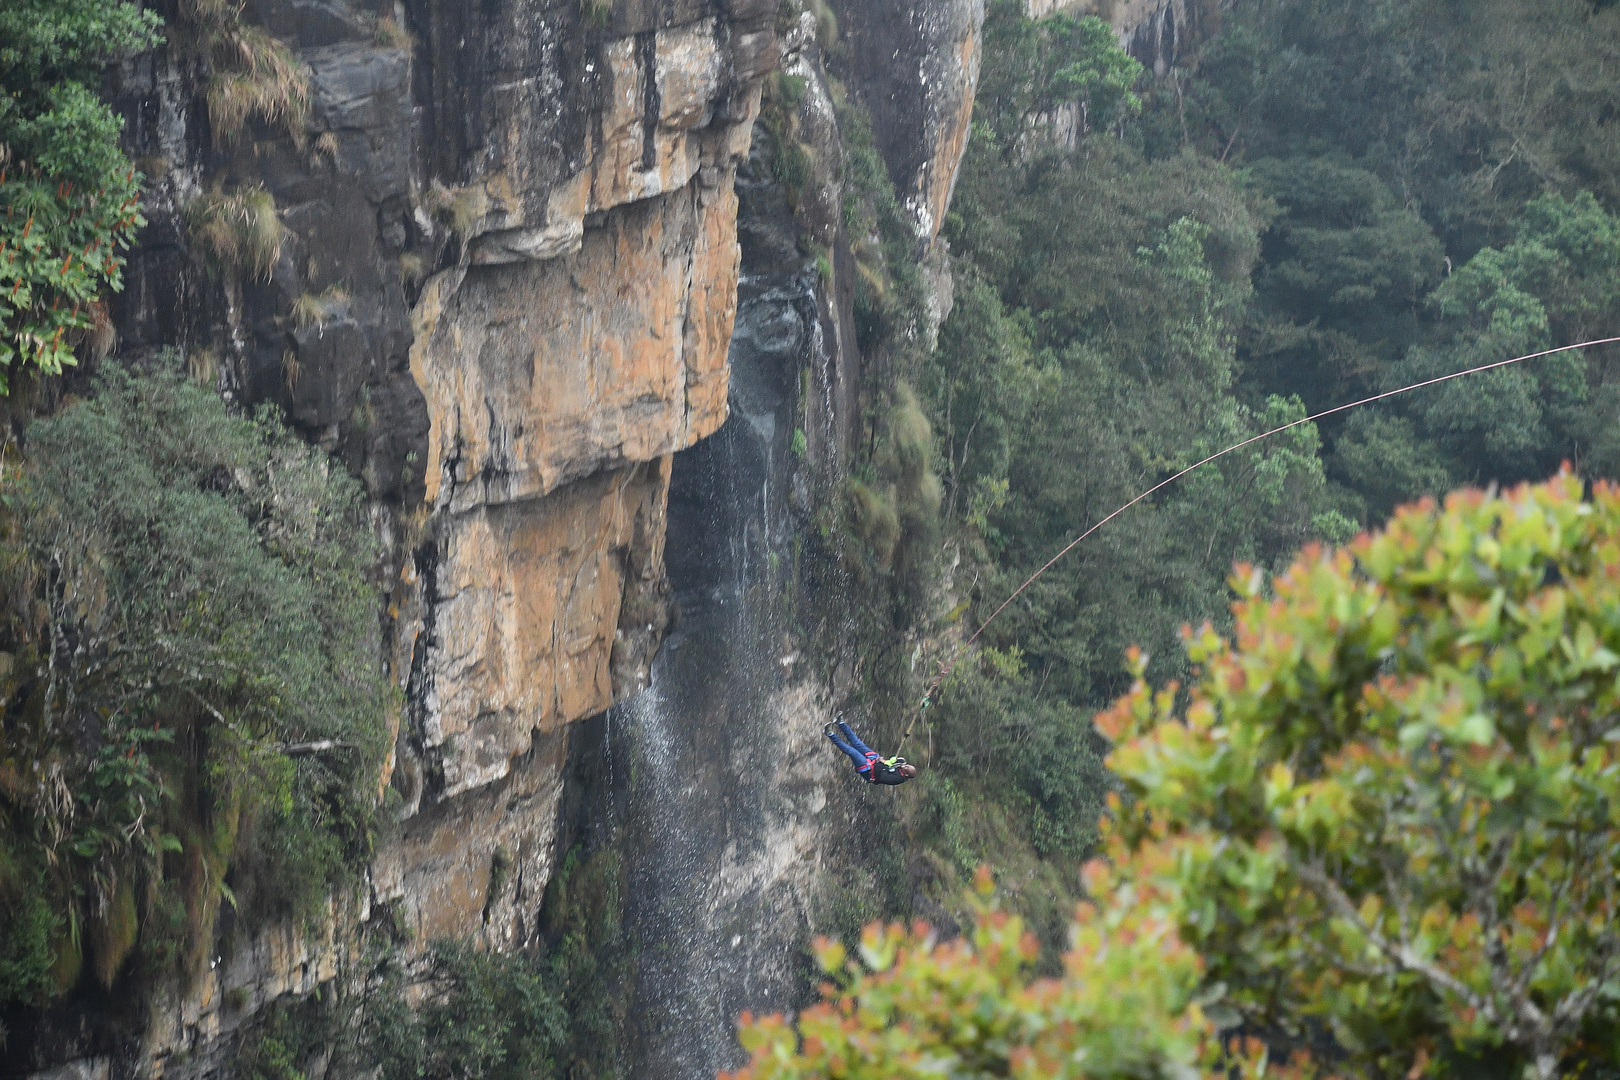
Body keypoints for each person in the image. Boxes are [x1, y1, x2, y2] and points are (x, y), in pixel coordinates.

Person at [825, 719, 916, 785]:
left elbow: (883, 777)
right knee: (857, 743)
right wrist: (892, 759)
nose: (905, 765)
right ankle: (841, 723)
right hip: (875, 759)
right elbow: (895, 757)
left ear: (906, 774)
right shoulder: (902, 764)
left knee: (852, 751)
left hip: (869, 771)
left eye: (907, 767)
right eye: (907, 765)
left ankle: (830, 734)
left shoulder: (897, 779)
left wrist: (886, 765)